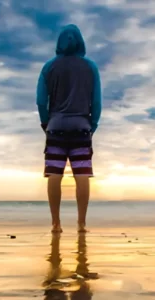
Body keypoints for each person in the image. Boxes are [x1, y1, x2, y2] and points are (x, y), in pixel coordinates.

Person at [37, 24, 102, 233]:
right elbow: (97, 101)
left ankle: (55, 223)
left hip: (55, 127)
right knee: (82, 176)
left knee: (54, 175)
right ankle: (81, 223)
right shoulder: (90, 67)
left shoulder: (49, 67)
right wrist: (93, 124)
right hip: (81, 127)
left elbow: (40, 101)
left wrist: (46, 122)